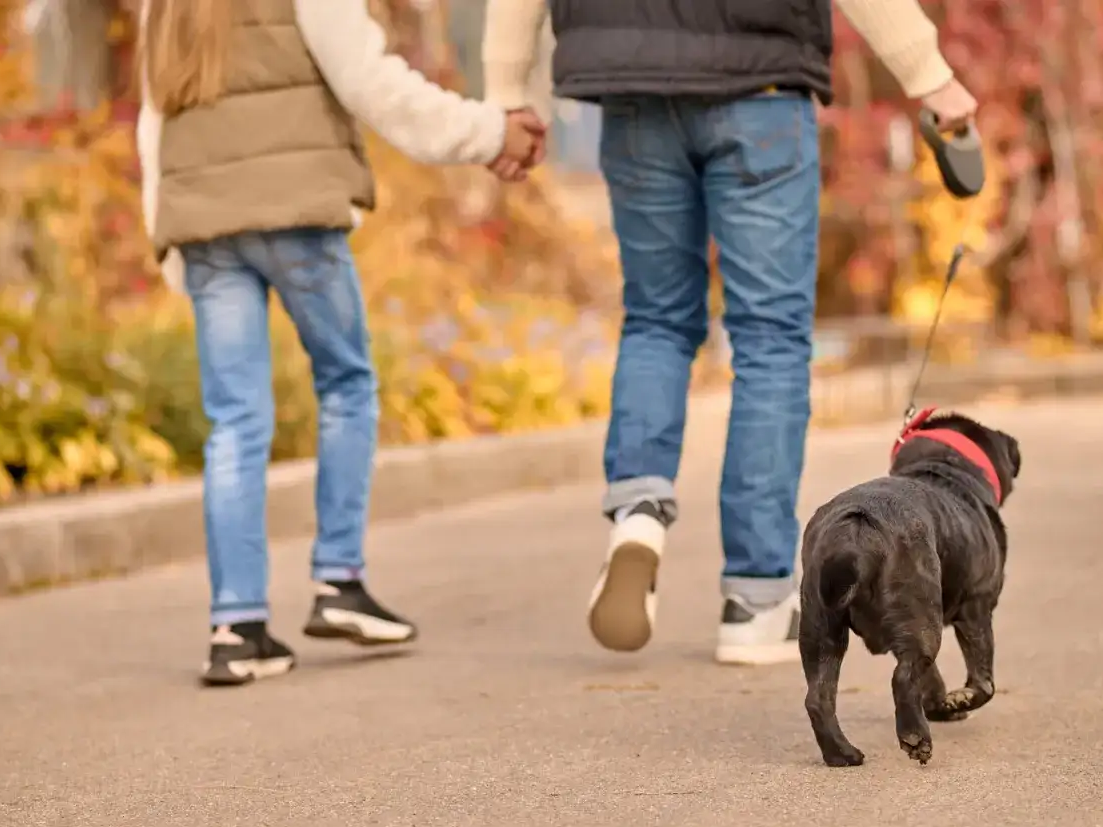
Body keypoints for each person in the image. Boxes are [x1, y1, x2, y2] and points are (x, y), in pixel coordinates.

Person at [483, 0, 978, 665]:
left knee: (657, 319)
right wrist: (931, 76)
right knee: (770, 340)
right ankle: (755, 596)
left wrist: (506, 94)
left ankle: (639, 509)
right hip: (761, 90)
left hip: (635, 92)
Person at [136, 0, 544, 686]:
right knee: (346, 384)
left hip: (203, 225)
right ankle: (338, 581)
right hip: (296, 213)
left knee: (233, 421)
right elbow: (371, 83)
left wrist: (166, 237)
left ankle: (236, 627)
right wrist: (486, 132)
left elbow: (153, 121)